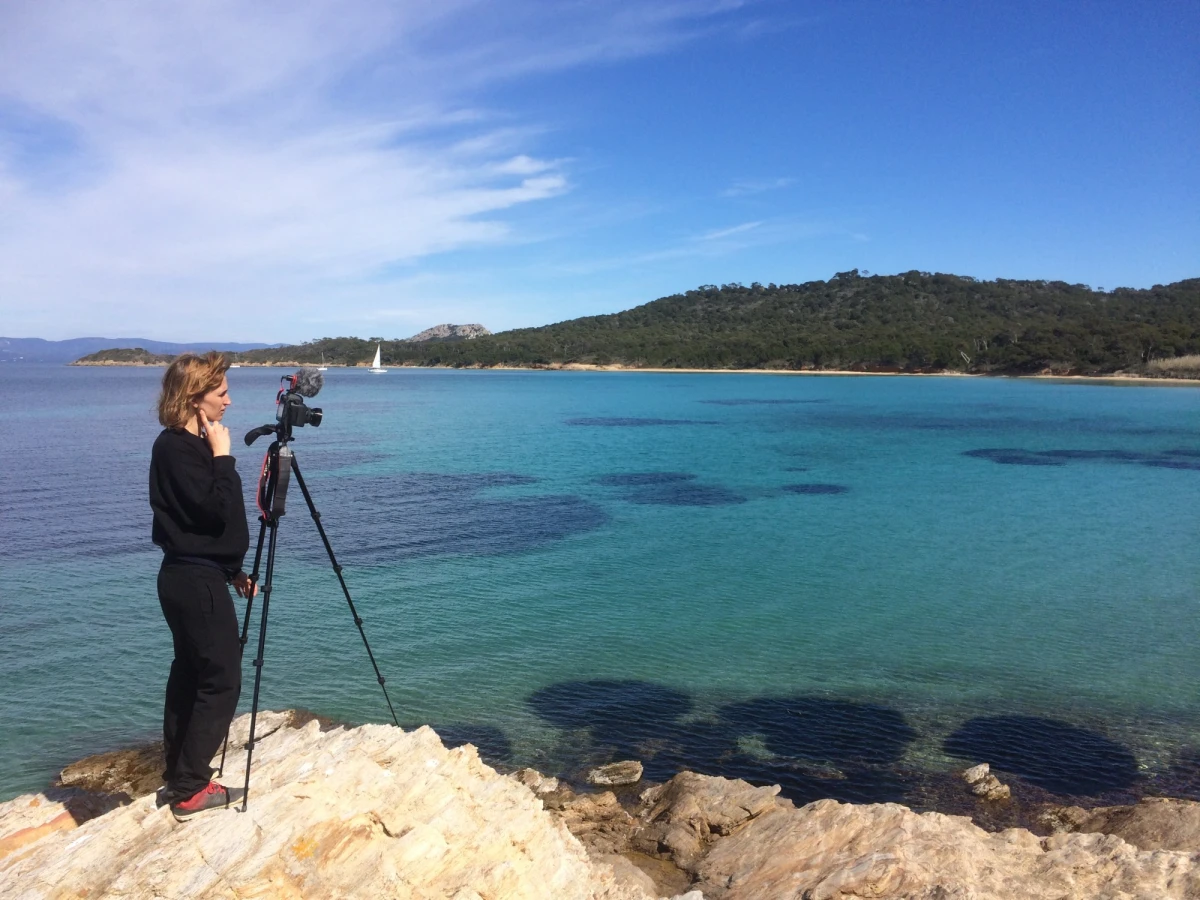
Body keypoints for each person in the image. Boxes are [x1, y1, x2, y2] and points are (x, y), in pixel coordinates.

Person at [149, 351, 258, 821]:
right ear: (195, 398)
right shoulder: (178, 448)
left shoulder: (182, 447)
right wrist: (224, 458)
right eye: (221, 393)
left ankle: (179, 777)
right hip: (193, 581)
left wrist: (232, 570)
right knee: (220, 681)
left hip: (194, 575)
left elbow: (198, 525)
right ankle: (191, 788)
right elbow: (216, 511)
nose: (228, 402)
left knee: (190, 675)